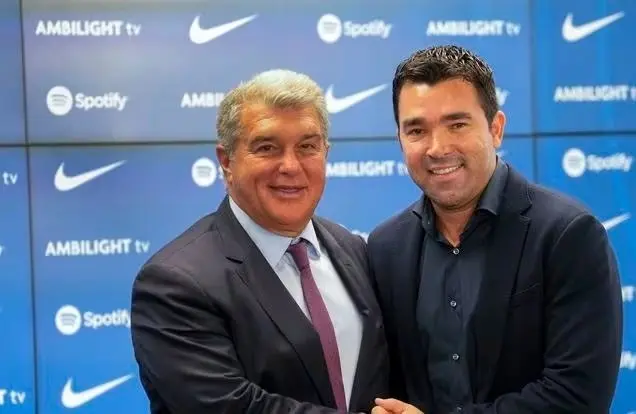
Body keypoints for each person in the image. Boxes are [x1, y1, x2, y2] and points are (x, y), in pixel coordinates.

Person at [367, 45, 623, 414]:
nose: (437, 148)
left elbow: (578, 396)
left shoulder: (569, 235)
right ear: (401, 140)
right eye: (417, 130)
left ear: (495, 128)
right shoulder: (385, 247)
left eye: (457, 124)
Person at [130, 69, 390, 413]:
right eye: (267, 148)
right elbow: (227, 407)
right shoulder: (174, 282)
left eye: (307, 147)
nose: (290, 166)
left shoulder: (351, 248)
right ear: (226, 161)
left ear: (325, 153)